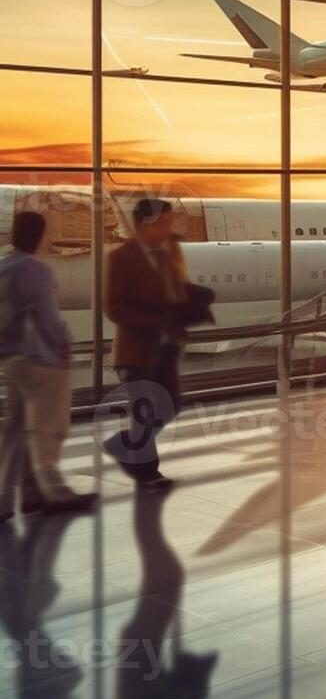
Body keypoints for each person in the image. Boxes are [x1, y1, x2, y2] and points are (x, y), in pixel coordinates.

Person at [0, 213, 95, 518]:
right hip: (40, 361)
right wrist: (64, 344)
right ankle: (53, 493)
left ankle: (16, 498)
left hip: (11, 361)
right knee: (46, 430)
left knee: (15, 432)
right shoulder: (37, 271)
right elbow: (49, 320)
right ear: (40, 236)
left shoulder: (3, 267)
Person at [104, 198, 190, 488]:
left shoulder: (167, 257)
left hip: (165, 347)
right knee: (146, 410)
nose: (169, 228)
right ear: (144, 223)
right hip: (137, 350)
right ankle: (147, 472)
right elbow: (114, 307)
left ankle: (124, 443)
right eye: (164, 222)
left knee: (171, 405)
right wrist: (155, 321)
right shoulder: (121, 257)